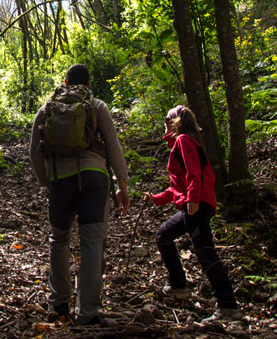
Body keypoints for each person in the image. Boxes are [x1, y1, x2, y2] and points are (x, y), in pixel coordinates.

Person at [29, 64, 131, 326]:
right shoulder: (97, 106)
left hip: (59, 181)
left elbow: (34, 151)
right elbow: (113, 145)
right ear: (88, 84)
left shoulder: (47, 108)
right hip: (94, 178)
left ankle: (58, 304)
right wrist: (122, 185)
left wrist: (46, 181)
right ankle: (87, 312)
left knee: (59, 238)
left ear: (65, 81)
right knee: (92, 242)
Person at [143, 105, 242, 323]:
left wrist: (193, 200)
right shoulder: (180, 144)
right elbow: (176, 187)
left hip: (197, 205)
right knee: (164, 235)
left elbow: (194, 172)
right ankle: (178, 286)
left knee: (206, 253)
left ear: (174, 122)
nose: (164, 124)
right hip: (193, 204)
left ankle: (227, 306)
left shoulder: (184, 141)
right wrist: (156, 199)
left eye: (166, 120)